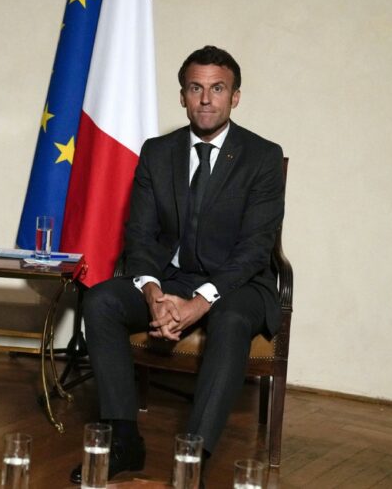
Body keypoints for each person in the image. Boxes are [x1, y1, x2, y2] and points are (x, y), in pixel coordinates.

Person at [70, 45, 285, 484]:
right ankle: (124, 441)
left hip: (238, 283)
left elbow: (255, 248)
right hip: (170, 278)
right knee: (102, 300)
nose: (206, 99)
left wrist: (200, 302)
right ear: (183, 95)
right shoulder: (157, 151)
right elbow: (140, 234)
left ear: (235, 97)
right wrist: (151, 291)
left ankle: (193, 460)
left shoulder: (261, 157)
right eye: (195, 88)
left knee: (230, 319)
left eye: (217, 88)